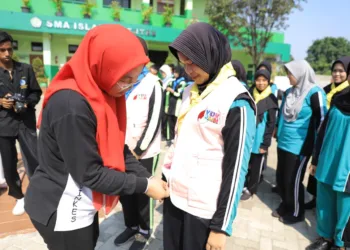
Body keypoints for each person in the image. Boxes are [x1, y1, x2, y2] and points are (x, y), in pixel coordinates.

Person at [24, 24, 169, 250]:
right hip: (61, 208)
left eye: (134, 79)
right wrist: (144, 186)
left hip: (81, 202)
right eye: (125, 78)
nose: (128, 87)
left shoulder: (100, 92)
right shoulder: (71, 105)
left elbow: (117, 148)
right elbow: (90, 174)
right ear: (103, 65)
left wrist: (148, 178)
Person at [162, 22, 257, 250]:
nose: (188, 70)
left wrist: (220, 226)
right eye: (184, 63)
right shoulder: (189, 91)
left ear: (211, 56)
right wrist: (167, 180)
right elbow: (178, 141)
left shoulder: (237, 101)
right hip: (175, 198)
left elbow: (236, 171)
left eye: (193, 63)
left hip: (204, 210)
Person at [114, 37, 163, 250]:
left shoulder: (153, 83)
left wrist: (139, 149)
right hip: (121, 149)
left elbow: (154, 120)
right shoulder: (122, 80)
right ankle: (131, 225)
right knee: (125, 191)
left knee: (143, 192)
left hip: (144, 152)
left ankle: (144, 231)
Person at [273, 60, 327, 224]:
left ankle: (297, 212)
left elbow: (322, 121)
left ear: (300, 74)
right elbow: (282, 113)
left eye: (290, 73)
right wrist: (277, 129)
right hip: (283, 142)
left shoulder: (314, 93)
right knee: (281, 178)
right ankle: (286, 204)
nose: (288, 76)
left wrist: (317, 153)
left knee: (293, 180)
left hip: (300, 146)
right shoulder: (290, 91)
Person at [305, 68, 350, 250]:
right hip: (328, 160)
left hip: (347, 168)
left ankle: (340, 243)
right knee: (324, 201)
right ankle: (325, 238)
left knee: (345, 205)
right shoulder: (339, 98)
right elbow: (323, 131)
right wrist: (315, 160)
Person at [0, 31, 42, 215]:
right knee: (9, 165)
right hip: (4, 125)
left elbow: (36, 93)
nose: (7, 54)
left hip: (25, 122)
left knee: (34, 159)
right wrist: (1, 102)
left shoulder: (25, 69)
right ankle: (19, 197)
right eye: (2, 50)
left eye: (9, 49)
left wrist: (26, 102)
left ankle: (40, 192)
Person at [241, 69, 278, 200]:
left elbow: (271, 124)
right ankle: (242, 185)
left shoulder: (271, 99)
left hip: (259, 139)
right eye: (258, 80)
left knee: (256, 167)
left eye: (264, 80)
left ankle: (251, 190)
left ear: (268, 82)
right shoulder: (250, 93)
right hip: (247, 136)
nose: (261, 83)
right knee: (245, 163)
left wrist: (265, 143)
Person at [163, 65, 187, 146]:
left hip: (177, 106)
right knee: (169, 123)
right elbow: (166, 90)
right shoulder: (172, 81)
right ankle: (169, 139)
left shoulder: (182, 82)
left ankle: (175, 139)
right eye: (174, 72)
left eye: (176, 72)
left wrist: (171, 91)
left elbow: (179, 93)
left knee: (176, 123)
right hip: (170, 105)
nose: (175, 74)